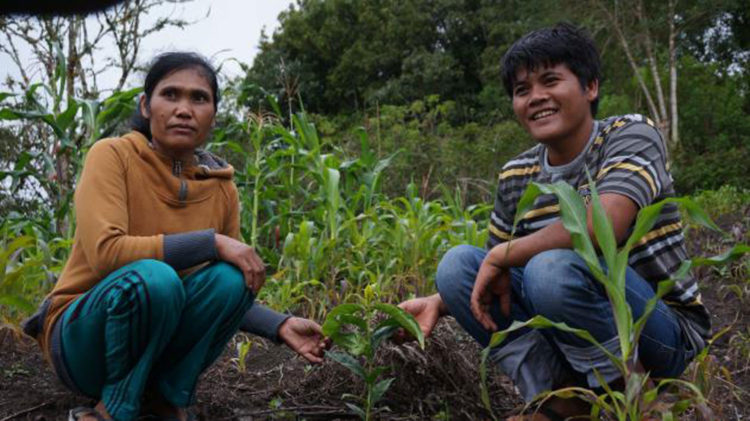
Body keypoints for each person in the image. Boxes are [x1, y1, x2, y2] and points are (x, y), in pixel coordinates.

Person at [397, 23, 709, 421]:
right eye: (522, 90)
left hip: (660, 334)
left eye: (550, 80)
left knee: (550, 269)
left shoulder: (630, 133)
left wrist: (503, 255)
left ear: (590, 86)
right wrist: (440, 301)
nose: (536, 97)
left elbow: (603, 224)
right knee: (457, 265)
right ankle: (562, 399)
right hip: (573, 323)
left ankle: (637, 398)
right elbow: (497, 273)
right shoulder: (516, 175)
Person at [22, 52, 328, 421]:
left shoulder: (221, 189)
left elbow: (220, 292)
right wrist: (212, 242)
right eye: (170, 94)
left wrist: (279, 325)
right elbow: (107, 253)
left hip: (155, 341)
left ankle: (165, 400)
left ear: (214, 113)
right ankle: (112, 410)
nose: (184, 109)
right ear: (145, 105)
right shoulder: (113, 156)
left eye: (199, 98)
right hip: (82, 341)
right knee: (156, 278)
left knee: (230, 277)